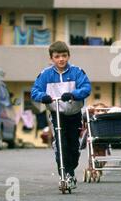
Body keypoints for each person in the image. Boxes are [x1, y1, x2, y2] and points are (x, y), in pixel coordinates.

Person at [31, 41, 91, 190]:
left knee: (73, 147)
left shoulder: (77, 72)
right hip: (57, 114)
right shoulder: (45, 74)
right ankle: (65, 175)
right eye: (57, 57)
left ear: (69, 56)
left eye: (64, 56)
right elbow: (35, 91)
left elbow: (86, 88)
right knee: (61, 145)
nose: (61, 59)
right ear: (51, 58)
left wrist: (73, 94)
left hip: (74, 114)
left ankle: (71, 169)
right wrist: (43, 96)